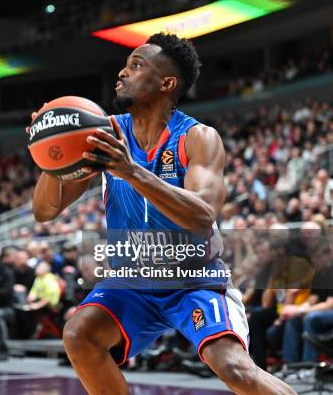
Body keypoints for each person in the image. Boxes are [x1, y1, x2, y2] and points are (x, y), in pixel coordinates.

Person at [31, 33, 295, 394]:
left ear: (166, 83)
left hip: (193, 279)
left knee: (235, 369)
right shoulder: (104, 133)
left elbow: (202, 213)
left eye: (136, 66)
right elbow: (45, 210)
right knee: (79, 334)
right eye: (125, 66)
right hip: (133, 282)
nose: (123, 73)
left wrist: (132, 171)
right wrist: (53, 153)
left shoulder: (197, 138)